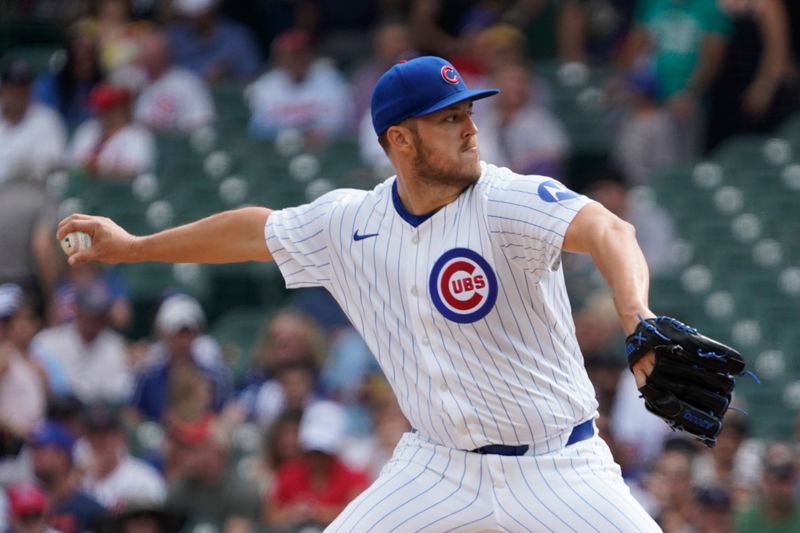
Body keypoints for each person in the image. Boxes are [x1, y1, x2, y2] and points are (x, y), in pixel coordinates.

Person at [58, 55, 663, 530]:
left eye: (469, 114)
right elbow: (250, 231)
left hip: (558, 463)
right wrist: (133, 246)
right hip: (439, 466)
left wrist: (636, 316)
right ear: (400, 140)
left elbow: (611, 230)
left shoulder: (507, 200)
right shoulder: (351, 223)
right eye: (449, 118)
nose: (471, 130)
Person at [67, 83, 156, 180]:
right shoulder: (87, 129)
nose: (103, 113)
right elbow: (70, 163)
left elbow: (134, 171)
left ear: (122, 108)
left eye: (109, 108)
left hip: (121, 193)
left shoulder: (138, 136)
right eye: (100, 108)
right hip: (83, 190)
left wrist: (100, 169)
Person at [0, 60, 67, 184]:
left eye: (22, 89)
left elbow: (55, 162)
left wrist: (26, 166)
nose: (16, 94)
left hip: (28, 193)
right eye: (12, 88)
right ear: (2, 90)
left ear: (30, 90)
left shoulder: (47, 119)